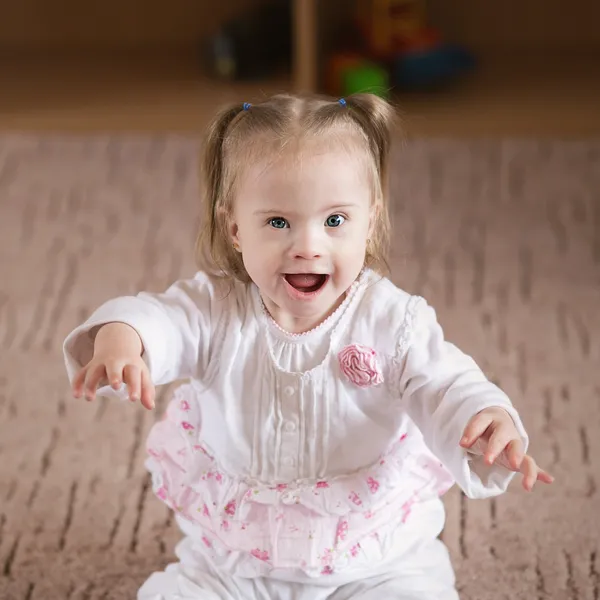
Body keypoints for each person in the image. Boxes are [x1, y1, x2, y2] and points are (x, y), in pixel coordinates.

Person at [63, 93, 553, 600]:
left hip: (373, 559)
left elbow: (445, 383)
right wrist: (123, 338)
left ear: (370, 220)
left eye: (335, 221)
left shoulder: (393, 320)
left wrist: (485, 417)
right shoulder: (215, 308)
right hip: (234, 565)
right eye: (277, 222)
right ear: (234, 229)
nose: (308, 245)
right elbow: (159, 319)